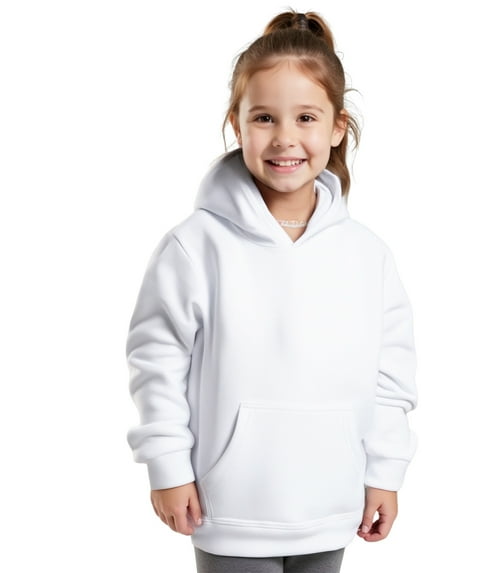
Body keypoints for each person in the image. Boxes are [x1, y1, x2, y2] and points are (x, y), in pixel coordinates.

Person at [126, 9, 417, 573]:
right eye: (263, 117)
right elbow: (156, 360)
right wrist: (167, 465)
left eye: (306, 117)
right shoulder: (195, 245)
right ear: (237, 125)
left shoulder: (368, 254)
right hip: (228, 508)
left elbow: (391, 376)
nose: (285, 137)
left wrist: (385, 472)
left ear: (337, 127)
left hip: (333, 505)